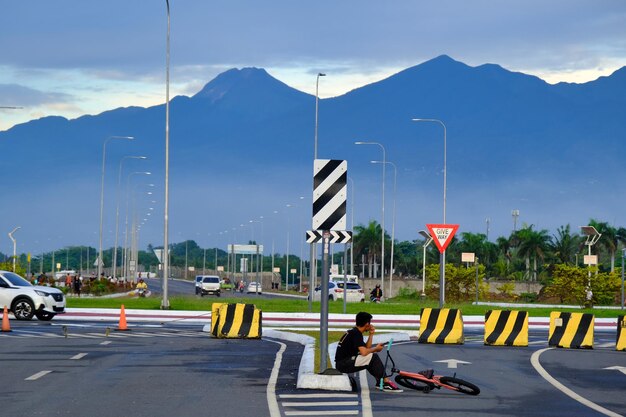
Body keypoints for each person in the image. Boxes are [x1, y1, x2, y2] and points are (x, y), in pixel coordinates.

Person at [334, 312, 400, 392]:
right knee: (373, 357)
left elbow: (366, 348)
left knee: (370, 358)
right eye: (370, 322)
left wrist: (371, 334)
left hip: (343, 362)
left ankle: (380, 382)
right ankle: (385, 382)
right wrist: (376, 349)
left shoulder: (354, 332)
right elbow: (364, 352)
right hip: (344, 364)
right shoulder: (356, 334)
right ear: (367, 324)